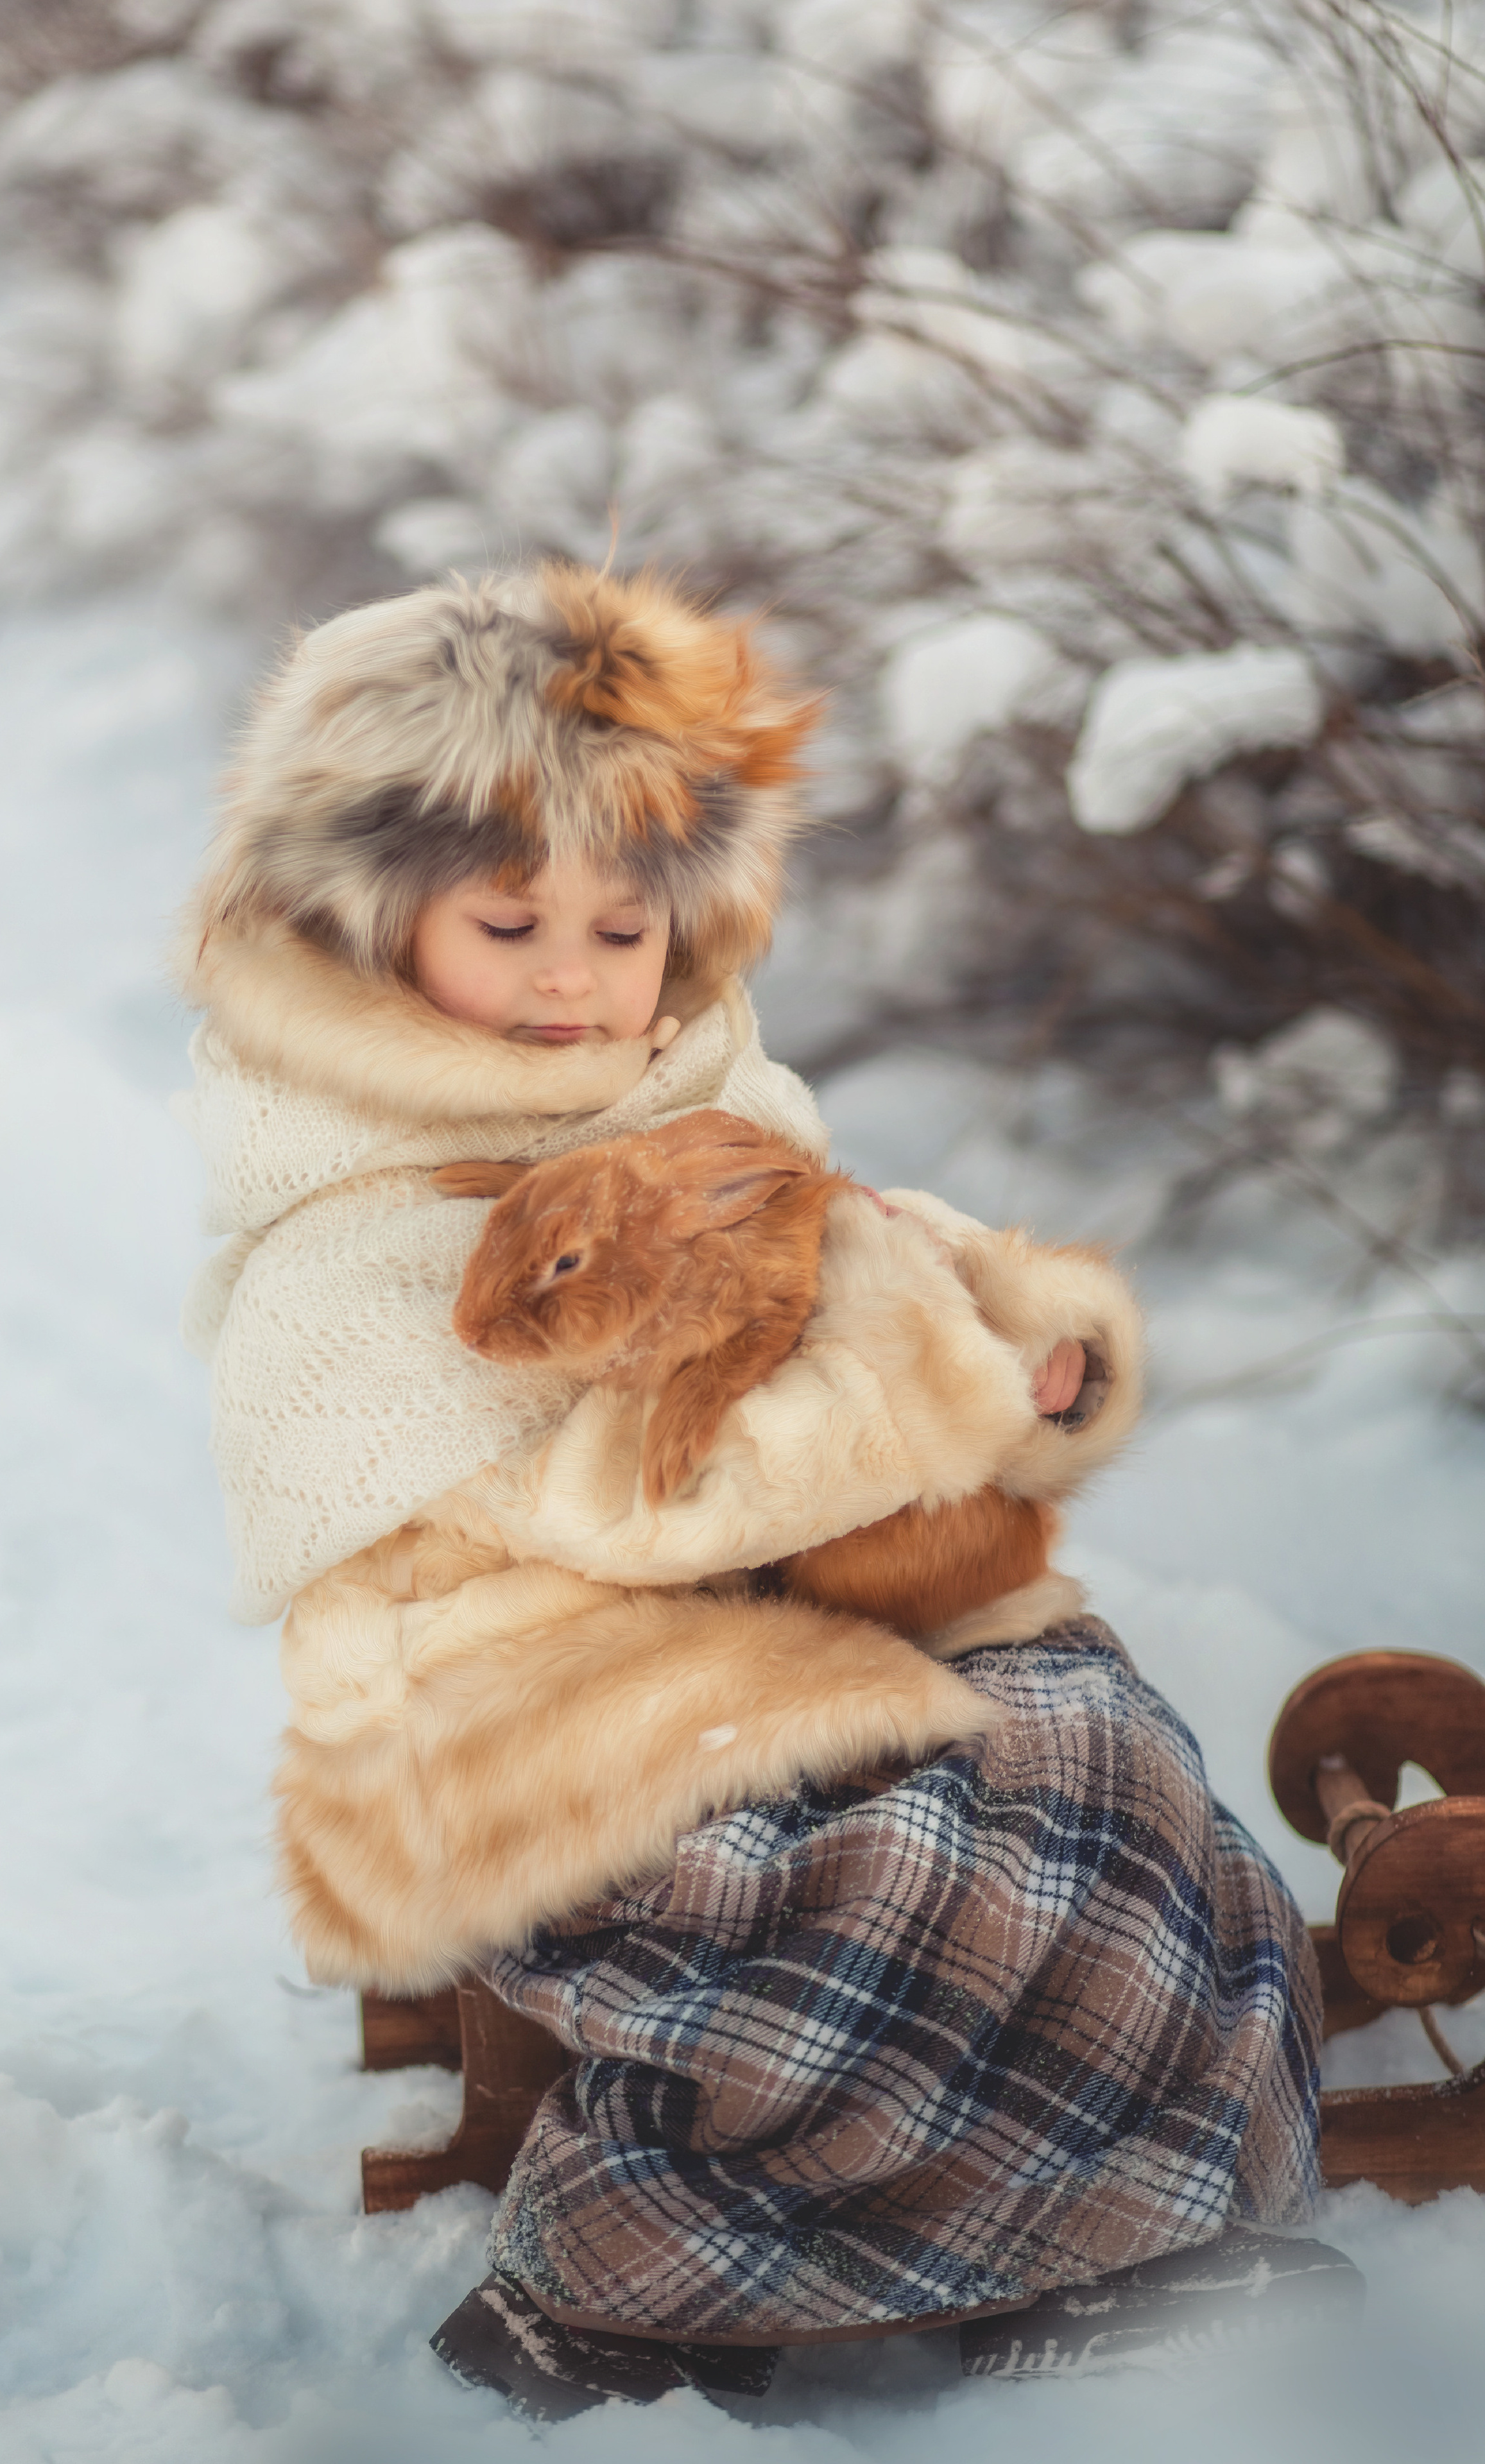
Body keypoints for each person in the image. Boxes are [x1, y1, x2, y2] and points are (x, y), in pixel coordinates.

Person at [175, 561, 1330, 2419]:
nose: (573, 976)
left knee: (1096, 1743)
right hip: (519, 1721)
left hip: (778, 1633)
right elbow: (622, 1503)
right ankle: (635, 2258)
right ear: (373, 926)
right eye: (508, 921)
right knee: (894, 1855)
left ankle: (1117, 2223)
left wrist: (1018, 1343)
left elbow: (859, 1255)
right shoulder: (352, 1237)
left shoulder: (697, 1097)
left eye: (622, 929)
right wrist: (920, 1390)